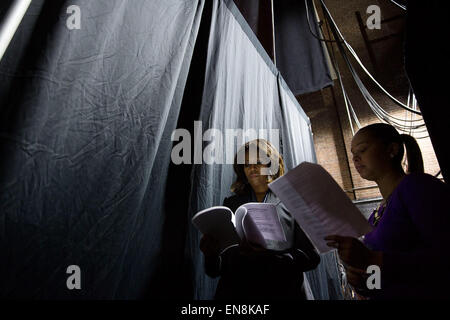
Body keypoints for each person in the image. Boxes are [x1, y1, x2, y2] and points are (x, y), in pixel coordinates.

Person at [325, 123, 450, 299]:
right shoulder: (377, 214)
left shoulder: (418, 187)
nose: (355, 159)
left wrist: (372, 259)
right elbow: (377, 283)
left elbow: (444, 257)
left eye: (362, 150)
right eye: (353, 154)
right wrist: (362, 283)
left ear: (391, 149)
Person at [200, 139, 320, 300]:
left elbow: (311, 258)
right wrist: (211, 255)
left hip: (285, 292)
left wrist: (271, 255)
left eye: (259, 162)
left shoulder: (293, 202)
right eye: (247, 164)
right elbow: (215, 271)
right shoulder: (231, 204)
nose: (253, 168)